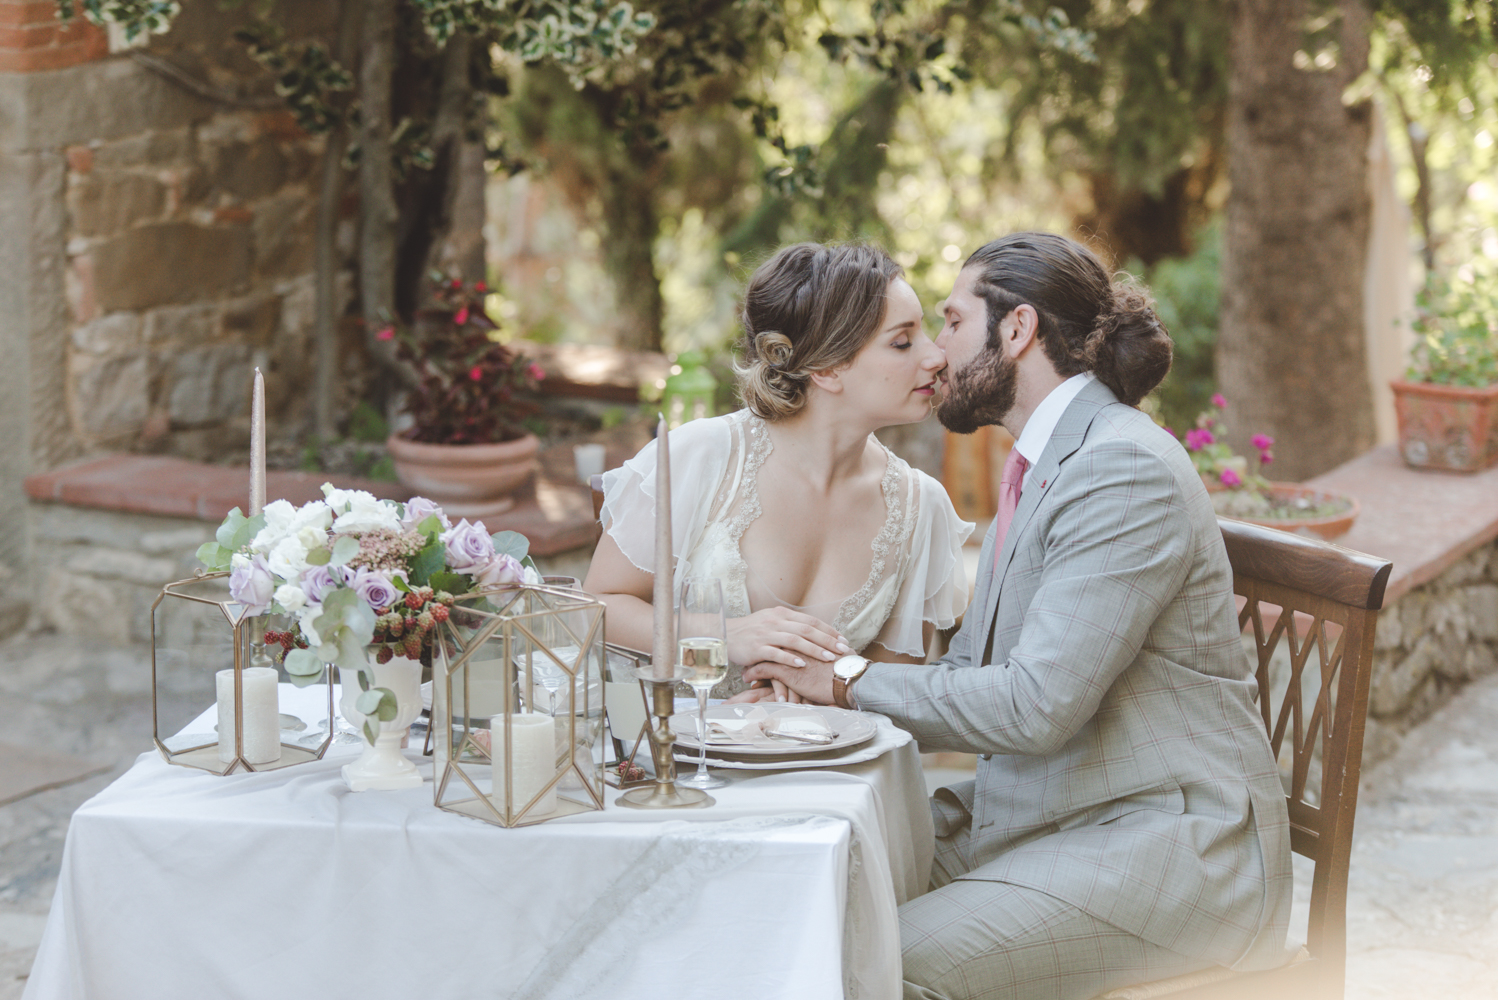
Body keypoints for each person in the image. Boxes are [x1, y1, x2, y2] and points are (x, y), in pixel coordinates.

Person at [745, 233, 1293, 999]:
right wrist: (800, 692)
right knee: (807, 883)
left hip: (1171, 850)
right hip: (1052, 817)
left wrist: (840, 680)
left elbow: (1036, 707)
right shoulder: (1041, 463)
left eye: (951, 322)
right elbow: (972, 671)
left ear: (1017, 329)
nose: (936, 353)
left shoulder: (1120, 468)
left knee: (869, 963)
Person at [584, 242, 973, 700]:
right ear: (827, 368)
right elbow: (597, 608)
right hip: (679, 759)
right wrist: (723, 635)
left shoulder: (920, 507)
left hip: (825, 764)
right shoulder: (701, 457)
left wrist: (809, 702)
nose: (936, 357)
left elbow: (892, 693)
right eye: (902, 342)